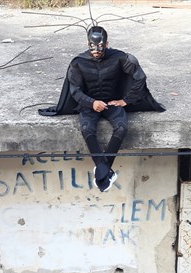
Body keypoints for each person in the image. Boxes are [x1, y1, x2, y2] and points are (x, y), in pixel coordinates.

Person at [39, 26, 165, 193]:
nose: (96, 50)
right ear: (87, 43)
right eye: (92, 46)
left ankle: (102, 171)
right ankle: (105, 171)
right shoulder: (79, 62)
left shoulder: (120, 58)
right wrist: (91, 103)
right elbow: (74, 90)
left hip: (112, 102)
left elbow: (139, 77)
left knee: (121, 128)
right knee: (87, 129)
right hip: (89, 104)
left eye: (100, 46)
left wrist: (126, 100)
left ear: (107, 44)